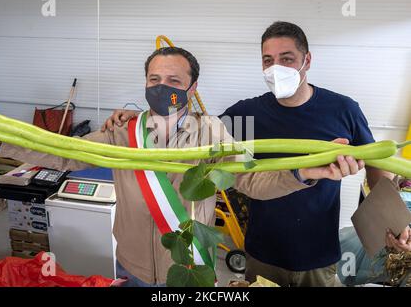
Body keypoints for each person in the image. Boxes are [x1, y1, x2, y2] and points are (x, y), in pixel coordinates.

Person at [0, 46, 364, 287]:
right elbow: (64, 153)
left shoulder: (212, 132)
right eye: (154, 79)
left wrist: (304, 173)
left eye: (173, 80)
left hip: (190, 268)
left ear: (191, 86)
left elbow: (252, 181)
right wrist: (0, 140)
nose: (161, 87)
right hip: (132, 266)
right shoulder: (124, 131)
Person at [101, 22, 393, 286]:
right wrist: (142, 117)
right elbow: (193, 133)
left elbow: (378, 167)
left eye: (287, 59)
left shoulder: (342, 110)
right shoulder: (247, 113)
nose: (275, 67)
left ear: (307, 60)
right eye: (268, 60)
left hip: (317, 252)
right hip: (262, 251)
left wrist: (393, 223)